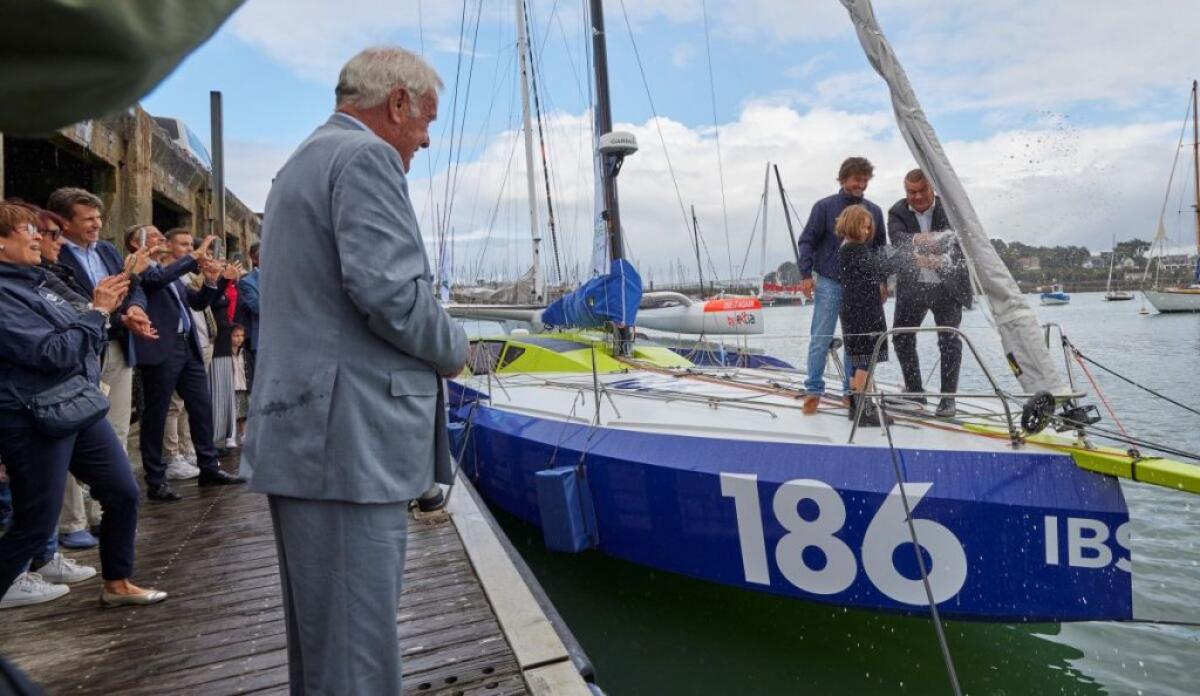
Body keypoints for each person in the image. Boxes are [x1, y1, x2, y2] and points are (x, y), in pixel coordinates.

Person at [242, 46, 468, 694]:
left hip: (311, 439)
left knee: (324, 657)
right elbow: (392, 295)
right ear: (396, 102)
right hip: (348, 446)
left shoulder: (301, 163)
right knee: (356, 666)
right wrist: (454, 350)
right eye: (424, 119)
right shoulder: (365, 157)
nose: (424, 140)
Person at [0, 202, 166, 608]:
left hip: (73, 404)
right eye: (28, 230)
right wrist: (96, 313)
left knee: (123, 491)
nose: (40, 237)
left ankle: (118, 582)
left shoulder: (39, 279)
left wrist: (113, 316)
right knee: (36, 521)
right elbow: (53, 351)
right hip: (32, 415)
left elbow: (88, 324)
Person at [135, 229, 245, 501]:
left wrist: (215, 281)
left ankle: (209, 468)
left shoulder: (169, 273)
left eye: (163, 238)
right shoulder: (138, 268)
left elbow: (197, 303)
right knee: (156, 414)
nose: (161, 241)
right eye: (156, 238)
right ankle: (156, 479)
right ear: (135, 243)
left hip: (187, 346)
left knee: (201, 407)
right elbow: (156, 280)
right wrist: (194, 256)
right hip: (162, 349)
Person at [49, 188, 158, 457]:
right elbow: (78, 306)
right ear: (64, 222)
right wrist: (124, 309)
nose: (97, 224)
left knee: (117, 426)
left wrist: (135, 308)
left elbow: (135, 290)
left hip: (118, 349)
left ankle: (108, 496)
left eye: (98, 217)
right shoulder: (52, 256)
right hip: (83, 351)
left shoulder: (107, 250)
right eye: (88, 219)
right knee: (82, 430)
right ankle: (83, 498)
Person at [796, 157, 888, 415]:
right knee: (820, 338)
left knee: (856, 342)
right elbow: (807, 241)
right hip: (828, 282)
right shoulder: (824, 207)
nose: (861, 185)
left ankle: (852, 395)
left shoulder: (875, 211)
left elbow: (880, 249)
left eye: (865, 180)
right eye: (857, 179)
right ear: (843, 179)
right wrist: (805, 273)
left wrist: (882, 281)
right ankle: (813, 390)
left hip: (861, 289)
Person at [887, 169, 973, 418]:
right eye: (910, 192)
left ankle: (948, 400)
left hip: (947, 286)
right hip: (913, 288)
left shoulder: (949, 207)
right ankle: (915, 392)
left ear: (932, 188)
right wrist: (921, 246)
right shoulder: (896, 211)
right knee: (901, 337)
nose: (915, 197)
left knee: (949, 340)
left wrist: (936, 254)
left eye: (921, 191)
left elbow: (954, 239)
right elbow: (898, 239)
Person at [837, 205, 896, 427]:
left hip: (854, 312)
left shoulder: (847, 249)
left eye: (869, 227)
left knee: (858, 360)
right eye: (864, 226)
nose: (867, 230)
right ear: (852, 224)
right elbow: (875, 268)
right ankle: (865, 410)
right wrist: (895, 259)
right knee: (866, 362)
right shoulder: (855, 250)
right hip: (863, 313)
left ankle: (856, 407)